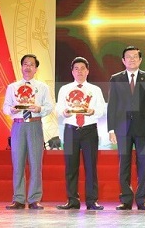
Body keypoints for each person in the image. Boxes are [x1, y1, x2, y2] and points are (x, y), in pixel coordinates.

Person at [107, 46, 145, 211]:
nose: (131, 59)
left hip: (143, 129)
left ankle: (142, 199)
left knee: (143, 164)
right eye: (128, 57)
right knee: (124, 165)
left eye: (135, 56)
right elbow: (112, 106)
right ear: (123, 60)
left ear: (140, 60)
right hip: (122, 129)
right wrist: (111, 129)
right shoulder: (116, 79)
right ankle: (126, 199)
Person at [3, 54, 54, 210]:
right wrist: (11, 109)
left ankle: (34, 199)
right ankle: (18, 199)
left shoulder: (42, 87)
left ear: (36, 69)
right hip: (18, 125)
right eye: (25, 64)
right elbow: (5, 107)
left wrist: (39, 109)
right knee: (17, 163)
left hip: (34, 125)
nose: (28, 67)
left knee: (35, 163)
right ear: (21, 67)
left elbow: (49, 107)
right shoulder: (12, 87)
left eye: (31, 64)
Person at [56, 57, 106, 211]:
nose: (79, 71)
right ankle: (72, 200)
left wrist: (93, 111)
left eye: (82, 68)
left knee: (91, 166)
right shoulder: (64, 89)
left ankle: (92, 201)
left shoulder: (95, 90)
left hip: (89, 130)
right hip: (71, 130)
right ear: (72, 71)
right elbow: (58, 110)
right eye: (76, 68)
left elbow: (102, 110)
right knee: (71, 167)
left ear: (88, 71)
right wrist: (63, 112)